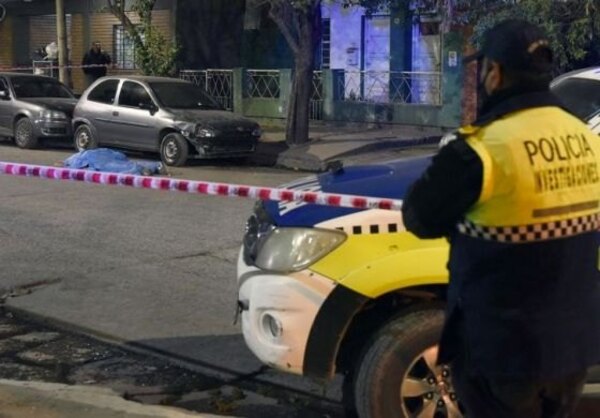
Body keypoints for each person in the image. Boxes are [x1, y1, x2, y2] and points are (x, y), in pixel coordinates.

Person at [401, 19, 600, 418]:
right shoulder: (586, 139)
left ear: (495, 73)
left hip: (501, 353)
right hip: (571, 352)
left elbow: (419, 217)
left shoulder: (481, 149)